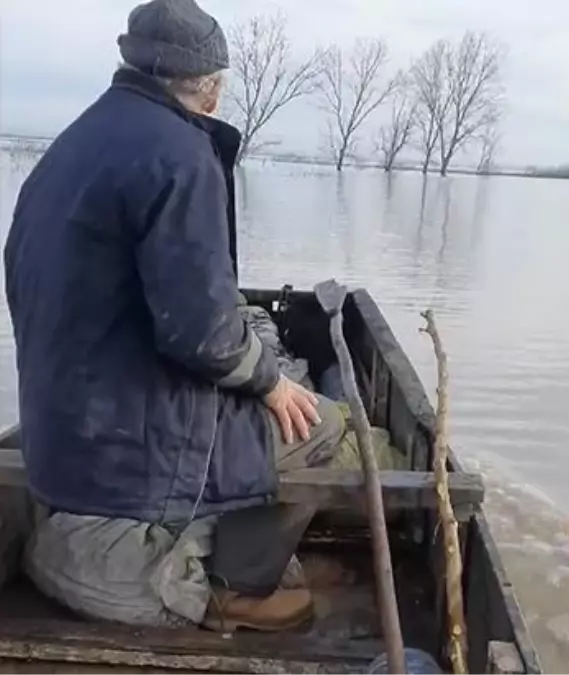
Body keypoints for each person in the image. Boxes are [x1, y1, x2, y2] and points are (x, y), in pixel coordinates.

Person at [4, 0, 343, 632]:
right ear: (211, 88)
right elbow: (205, 337)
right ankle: (234, 586)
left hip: (67, 428)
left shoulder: (69, 146)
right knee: (320, 428)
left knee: (260, 404)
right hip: (121, 448)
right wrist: (271, 380)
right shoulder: (181, 156)